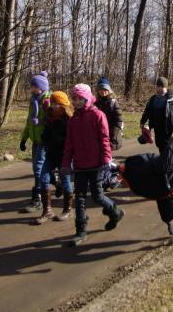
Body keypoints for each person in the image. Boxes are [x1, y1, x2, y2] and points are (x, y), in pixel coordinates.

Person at [62, 84, 124, 246]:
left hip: (96, 165)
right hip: (80, 165)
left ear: (87, 98)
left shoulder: (98, 115)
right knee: (80, 198)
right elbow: (69, 144)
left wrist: (106, 160)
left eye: (78, 98)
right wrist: (66, 164)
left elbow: (104, 139)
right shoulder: (73, 119)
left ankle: (115, 212)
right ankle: (80, 231)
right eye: (73, 98)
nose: (75, 101)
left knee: (97, 196)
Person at [36, 91, 74, 224]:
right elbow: (45, 134)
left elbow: (72, 140)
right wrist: (45, 139)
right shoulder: (48, 117)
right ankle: (47, 211)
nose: (52, 106)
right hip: (50, 154)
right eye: (52, 103)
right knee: (43, 179)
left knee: (65, 180)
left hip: (64, 156)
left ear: (62, 105)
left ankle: (68, 210)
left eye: (56, 103)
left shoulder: (70, 120)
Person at [20, 71, 51, 213]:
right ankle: (52, 184)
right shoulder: (33, 101)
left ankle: (38, 199)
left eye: (33, 86)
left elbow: (52, 121)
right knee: (36, 169)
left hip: (45, 140)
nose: (31, 88)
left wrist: (41, 122)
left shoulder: (48, 101)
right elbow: (29, 122)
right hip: (36, 140)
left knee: (38, 169)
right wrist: (24, 138)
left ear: (41, 87)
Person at [139, 77, 173, 155]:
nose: (160, 89)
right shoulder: (152, 99)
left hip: (168, 128)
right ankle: (163, 160)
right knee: (159, 144)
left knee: (167, 146)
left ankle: (169, 162)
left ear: (166, 87)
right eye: (158, 86)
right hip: (157, 127)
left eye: (163, 87)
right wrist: (142, 122)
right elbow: (147, 111)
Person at [95, 77, 124, 151]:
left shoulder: (113, 102)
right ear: (98, 90)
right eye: (101, 89)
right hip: (98, 135)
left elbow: (119, 121)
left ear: (109, 90)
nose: (103, 91)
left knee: (106, 156)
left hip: (111, 135)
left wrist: (113, 135)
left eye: (105, 89)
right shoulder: (95, 103)